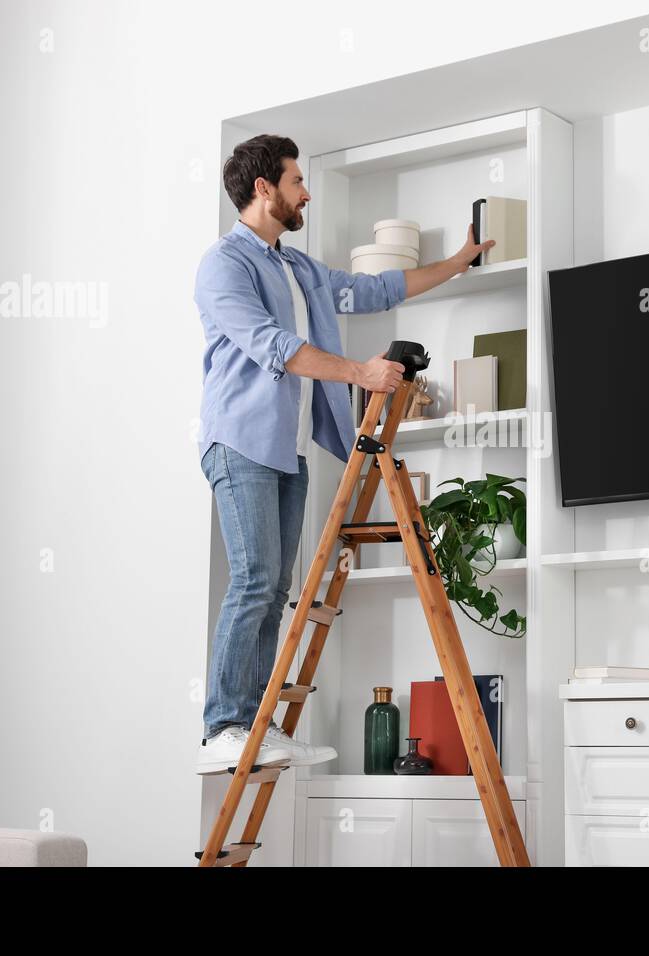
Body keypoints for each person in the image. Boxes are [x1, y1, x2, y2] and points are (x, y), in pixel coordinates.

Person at [194, 134, 492, 773]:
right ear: (264, 188)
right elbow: (271, 344)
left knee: (275, 589)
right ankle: (222, 726)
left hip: (287, 450)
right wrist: (359, 373)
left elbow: (375, 289)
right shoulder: (225, 264)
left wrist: (460, 261)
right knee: (252, 580)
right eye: (297, 180)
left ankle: (254, 725)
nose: (307, 191)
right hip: (239, 443)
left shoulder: (296, 269)